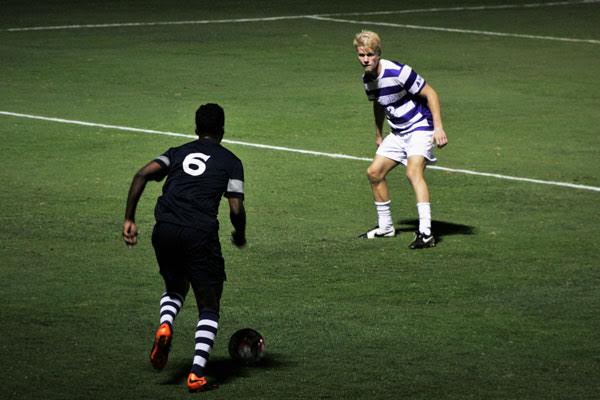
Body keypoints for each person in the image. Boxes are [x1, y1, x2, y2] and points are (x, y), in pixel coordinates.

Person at [122, 103, 246, 392]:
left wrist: (129, 218)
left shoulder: (176, 152)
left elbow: (141, 174)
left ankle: (166, 323)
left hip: (164, 227)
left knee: (176, 287)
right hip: (198, 233)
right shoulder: (231, 161)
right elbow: (236, 207)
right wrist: (239, 234)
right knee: (209, 303)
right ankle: (197, 374)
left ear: (195, 128)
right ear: (223, 130)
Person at [354, 30, 448, 249]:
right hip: (398, 133)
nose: (365, 59)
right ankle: (385, 227)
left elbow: (431, 94)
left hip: (420, 127)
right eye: (361, 55)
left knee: (413, 172)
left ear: (378, 53)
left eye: (369, 54)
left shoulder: (398, 71)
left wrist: (439, 128)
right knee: (374, 173)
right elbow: (378, 103)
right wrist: (378, 133)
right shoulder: (367, 79)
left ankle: (425, 233)